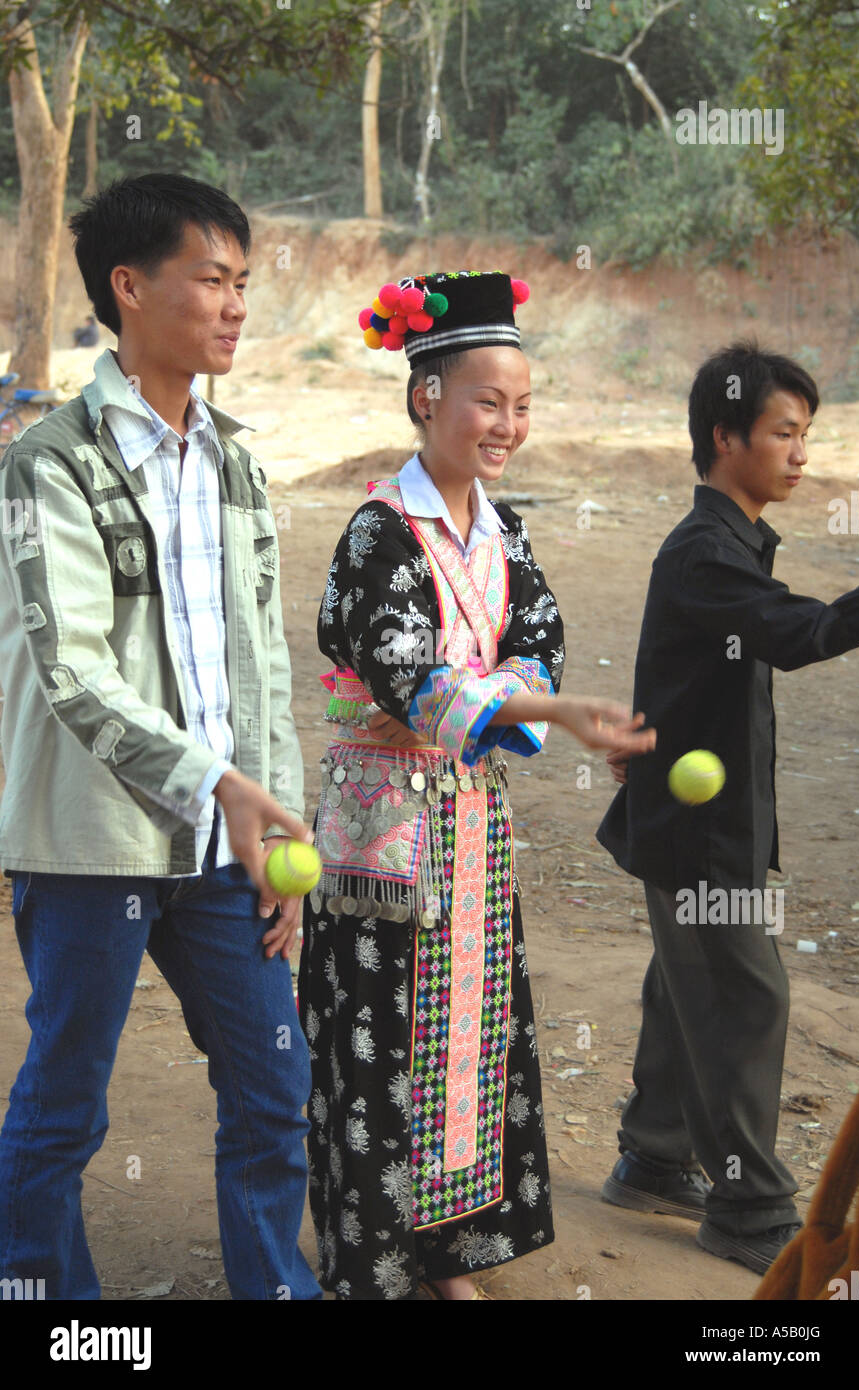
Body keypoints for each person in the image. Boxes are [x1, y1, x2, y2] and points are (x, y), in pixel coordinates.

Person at [298, 270, 656, 1300]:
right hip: (385, 828)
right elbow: (414, 679)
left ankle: (450, 1254)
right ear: (427, 397)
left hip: (469, 820)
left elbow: (537, 636)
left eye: (524, 405)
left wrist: (509, 691)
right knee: (380, 1042)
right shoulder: (379, 530)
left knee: (469, 1032)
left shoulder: (504, 531)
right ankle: (374, 1260)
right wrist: (532, 704)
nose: (508, 424)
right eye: (488, 401)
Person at [0, 173, 320, 1301]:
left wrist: (273, 807)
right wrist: (220, 782)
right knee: (67, 1100)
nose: (236, 305)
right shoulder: (50, 462)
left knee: (275, 1084)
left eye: (243, 282)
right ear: (129, 288)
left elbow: (260, 660)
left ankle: (277, 1286)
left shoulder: (235, 461)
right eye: (213, 280)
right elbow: (73, 673)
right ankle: (47, 1302)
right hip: (90, 843)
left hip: (229, 846)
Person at [596, 341, 859, 1275]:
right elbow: (798, 632)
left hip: (710, 828)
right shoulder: (707, 554)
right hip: (698, 838)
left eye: (806, 435)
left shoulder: (728, 544)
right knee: (745, 994)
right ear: (725, 436)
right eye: (782, 433)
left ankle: (653, 1155)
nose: (801, 453)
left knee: (690, 987)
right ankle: (749, 1207)